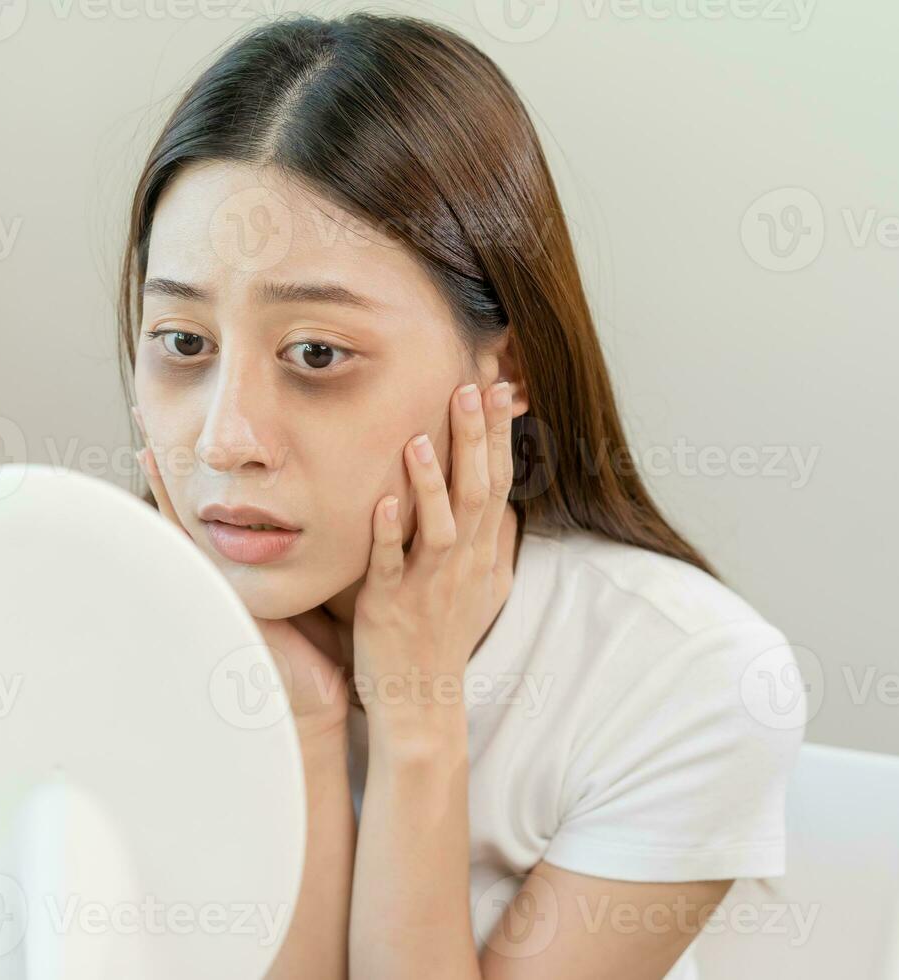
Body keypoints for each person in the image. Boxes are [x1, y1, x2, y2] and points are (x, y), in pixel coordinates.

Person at [118, 12, 805, 979]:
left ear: (504, 368)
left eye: (317, 353)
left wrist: (419, 720)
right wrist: (306, 730)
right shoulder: (91, 633)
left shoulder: (682, 676)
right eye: (184, 343)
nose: (229, 439)